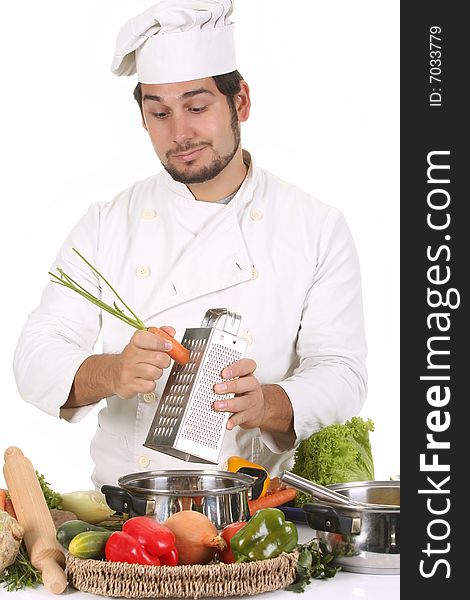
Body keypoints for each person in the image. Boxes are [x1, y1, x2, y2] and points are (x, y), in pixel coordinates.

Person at [13, 0, 367, 488]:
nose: (180, 133)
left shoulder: (315, 226)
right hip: (124, 519)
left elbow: (343, 371)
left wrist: (268, 403)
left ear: (240, 102)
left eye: (197, 107)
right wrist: (111, 372)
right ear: (142, 118)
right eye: (159, 113)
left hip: (253, 517)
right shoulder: (106, 223)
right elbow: (34, 357)